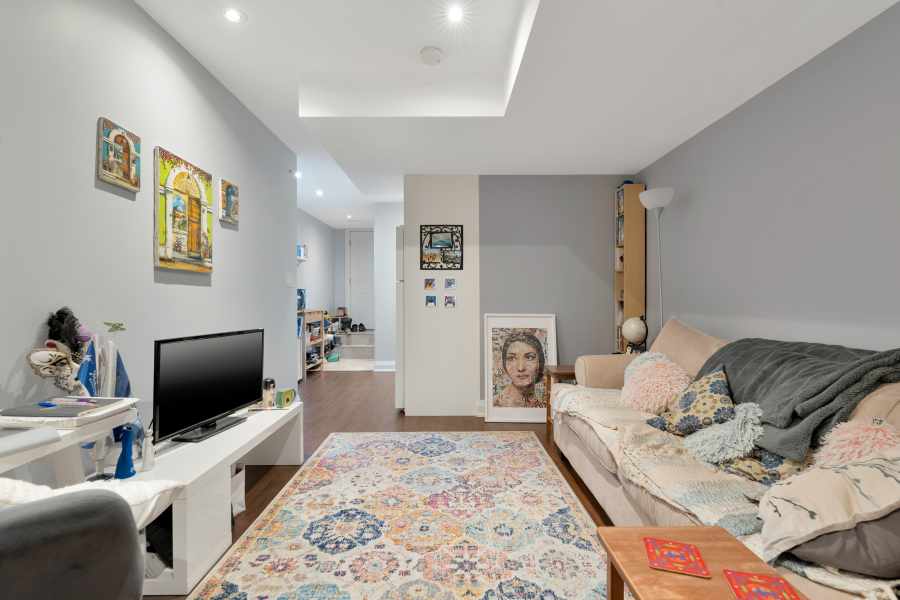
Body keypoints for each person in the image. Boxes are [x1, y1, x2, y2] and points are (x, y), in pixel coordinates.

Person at [495, 332, 545, 408]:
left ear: (540, 362)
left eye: (529, 357)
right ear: (504, 364)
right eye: (512, 358)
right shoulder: (496, 405)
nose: (520, 368)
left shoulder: (544, 404)